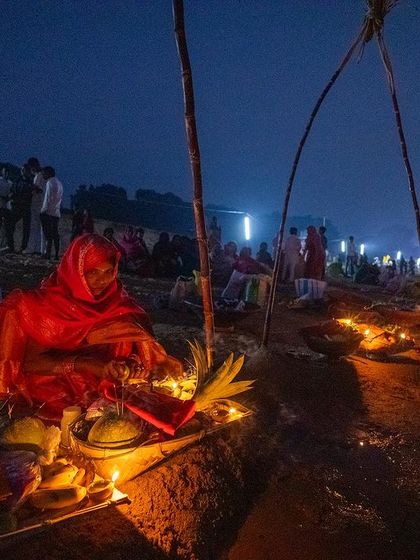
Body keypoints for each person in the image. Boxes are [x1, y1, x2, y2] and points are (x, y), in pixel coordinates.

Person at [0, 234, 182, 421]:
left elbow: (131, 345)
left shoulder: (117, 302)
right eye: (92, 272)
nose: (101, 281)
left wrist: (130, 364)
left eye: (108, 272)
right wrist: (87, 365)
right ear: (75, 270)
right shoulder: (47, 306)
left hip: (105, 377)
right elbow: (32, 363)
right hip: (57, 379)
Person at [9, 164, 33, 253]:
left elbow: (30, 191)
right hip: (16, 205)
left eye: (24, 170)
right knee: (10, 225)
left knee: (26, 229)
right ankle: (11, 246)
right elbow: (13, 189)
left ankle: (23, 247)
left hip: (26, 206)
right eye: (22, 170)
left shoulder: (31, 181)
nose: (22, 171)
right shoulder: (17, 180)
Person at [40, 166, 63, 260]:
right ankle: (57, 254)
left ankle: (47, 253)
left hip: (48, 211)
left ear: (48, 173)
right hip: (56, 212)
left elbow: (48, 198)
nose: (43, 175)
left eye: (44, 173)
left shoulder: (50, 183)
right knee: (55, 234)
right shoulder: (60, 183)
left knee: (47, 234)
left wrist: (43, 210)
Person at [27, 157, 45, 254]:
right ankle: (39, 249)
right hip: (39, 204)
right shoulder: (42, 175)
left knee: (35, 227)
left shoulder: (39, 176)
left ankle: (35, 248)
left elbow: (39, 190)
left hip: (38, 204)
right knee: (38, 227)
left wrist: (32, 189)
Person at [0, 167, 13, 250]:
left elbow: (11, 193)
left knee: (6, 226)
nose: (6, 174)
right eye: (5, 172)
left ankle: (5, 244)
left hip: (6, 207)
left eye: (7, 172)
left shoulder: (10, 183)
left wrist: (8, 198)